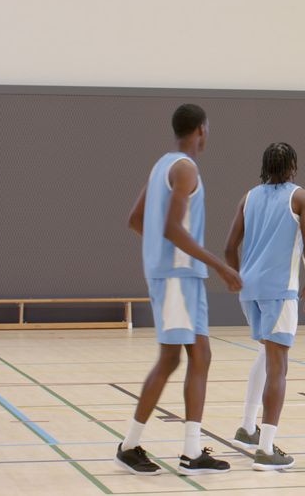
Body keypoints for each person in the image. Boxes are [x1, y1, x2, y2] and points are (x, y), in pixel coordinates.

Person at [118, 103, 241, 476]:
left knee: (199, 355)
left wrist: (159, 254)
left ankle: (190, 449)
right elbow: (171, 228)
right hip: (177, 276)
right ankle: (131, 444)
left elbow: (136, 219)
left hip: (178, 274)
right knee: (173, 358)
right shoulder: (186, 169)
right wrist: (219, 265)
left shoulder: (161, 166)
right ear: (202, 130)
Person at [224, 142, 305, 471]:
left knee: (267, 354)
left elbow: (228, 247)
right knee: (279, 366)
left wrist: (236, 277)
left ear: (264, 165)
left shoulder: (248, 197)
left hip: (249, 290)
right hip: (280, 290)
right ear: (293, 165)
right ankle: (266, 450)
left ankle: (247, 428)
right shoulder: (302, 197)